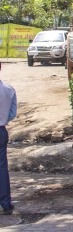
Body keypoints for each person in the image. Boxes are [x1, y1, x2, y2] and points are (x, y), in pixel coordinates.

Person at [0, 61, 17, 215]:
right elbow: (12, 114)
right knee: (2, 167)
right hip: (1, 130)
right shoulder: (9, 90)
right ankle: (5, 203)